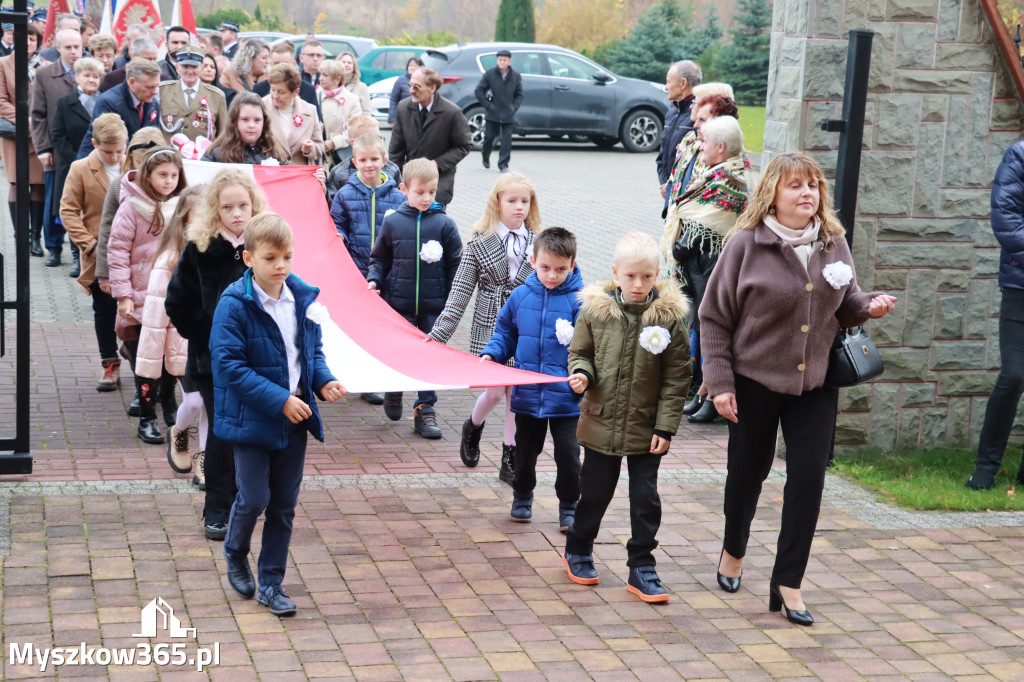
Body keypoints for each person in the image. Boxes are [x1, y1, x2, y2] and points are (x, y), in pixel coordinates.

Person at [700, 152, 896, 625]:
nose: (808, 193)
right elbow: (713, 317)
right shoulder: (746, 244)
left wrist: (867, 306)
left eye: (813, 186)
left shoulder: (834, 243)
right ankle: (733, 549)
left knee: (808, 479)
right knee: (747, 474)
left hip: (816, 382)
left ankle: (788, 582)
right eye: (796, 186)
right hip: (753, 381)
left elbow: (843, 305)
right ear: (773, 193)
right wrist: (720, 383)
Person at [212, 213, 345, 617]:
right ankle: (235, 551)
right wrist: (279, 399)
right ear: (249, 258)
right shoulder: (234, 305)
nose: (282, 266)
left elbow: (310, 352)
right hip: (252, 421)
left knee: (284, 505)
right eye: (271, 258)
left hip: (294, 420)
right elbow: (230, 367)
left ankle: (271, 583)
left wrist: (323, 380)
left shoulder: (302, 298)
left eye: (287, 256)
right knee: (254, 498)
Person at [563, 231, 692, 604]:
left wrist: (666, 426)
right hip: (601, 419)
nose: (639, 285)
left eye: (647, 277)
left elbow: (677, 376)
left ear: (657, 274)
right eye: (631, 276)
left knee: (645, 498)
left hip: (646, 426)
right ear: (616, 273)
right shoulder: (595, 312)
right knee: (595, 493)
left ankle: (642, 565)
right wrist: (582, 373)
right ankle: (579, 547)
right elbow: (580, 352)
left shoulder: (668, 319)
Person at [166, 169, 267, 538]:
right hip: (212, 363)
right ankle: (217, 509)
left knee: (251, 433)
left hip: (257, 360)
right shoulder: (201, 249)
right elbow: (177, 302)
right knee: (222, 434)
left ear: (254, 204)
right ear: (216, 210)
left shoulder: (262, 244)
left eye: (243, 205)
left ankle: (246, 502)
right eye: (228, 207)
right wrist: (207, 336)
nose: (237, 213)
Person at [429, 172, 540, 482]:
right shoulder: (479, 242)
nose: (519, 207)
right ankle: (473, 426)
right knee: (493, 392)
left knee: (514, 395)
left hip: (525, 328)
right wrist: (438, 337)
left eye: (524, 201)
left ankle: (509, 457)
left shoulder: (538, 242)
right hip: (490, 325)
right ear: (497, 202)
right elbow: (459, 295)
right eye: (512, 200)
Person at [480, 227, 583, 527]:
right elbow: (505, 334)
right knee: (524, 453)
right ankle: (522, 495)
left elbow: (589, 347)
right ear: (532, 259)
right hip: (526, 394)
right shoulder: (520, 297)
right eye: (545, 267)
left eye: (561, 269)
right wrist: (492, 354)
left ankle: (569, 507)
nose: (552, 275)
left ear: (573, 264)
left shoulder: (580, 302)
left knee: (568, 455)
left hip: (566, 397)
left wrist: (582, 375)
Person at [663, 114, 751, 424]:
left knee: (712, 330)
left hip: (712, 267)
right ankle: (704, 393)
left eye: (705, 142)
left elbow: (711, 221)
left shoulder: (732, 179)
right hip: (698, 268)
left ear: (722, 147)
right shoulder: (715, 173)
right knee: (700, 329)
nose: (700, 147)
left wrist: (679, 246)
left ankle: (715, 397)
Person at [367, 158, 463, 438]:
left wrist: (452, 297)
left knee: (429, 356)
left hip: (434, 306)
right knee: (399, 351)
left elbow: (457, 264)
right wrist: (374, 279)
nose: (426, 197)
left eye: (431, 192)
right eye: (419, 192)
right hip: (398, 303)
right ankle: (394, 387)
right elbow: (379, 258)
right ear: (404, 189)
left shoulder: (444, 224)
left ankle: (425, 408)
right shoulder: (393, 223)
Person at [107, 147, 187, 444]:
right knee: (145, 358)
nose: (168, 181)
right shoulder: (131, 207)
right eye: (162, 175)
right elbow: (117, 252)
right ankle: (146, 416)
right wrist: (123, 295)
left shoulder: (183, 207)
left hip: (172, 296)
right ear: (148, 175)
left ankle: (167, 399)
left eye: (173, 175)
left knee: (171, 355)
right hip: (140, 297)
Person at [968, 142, 1024, 490]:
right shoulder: (1019, 155)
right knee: (1015, 374)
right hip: (1022, 287)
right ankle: (986, 469)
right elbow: (1006, 220)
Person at [137, 186, 203, 476]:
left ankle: (205, 461)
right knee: (195, 400)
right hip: (183, 344)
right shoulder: (170, 258)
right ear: (184, 218)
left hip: (215, 343)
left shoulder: (225, 251)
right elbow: (154, 316)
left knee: (211, 406)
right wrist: (150, 364)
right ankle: (179, 431)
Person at [59, 113, 127, 392]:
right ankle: (109, 364)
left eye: (119, 151)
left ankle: (138, 356)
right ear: (95, 143)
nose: (114, 157)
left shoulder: (134, 164)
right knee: (105, 309)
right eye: (107, 151)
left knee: (139, 308)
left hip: (133, 251)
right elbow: (68, 210)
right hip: (100, 252)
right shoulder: (80, 168)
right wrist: (89, 244)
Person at [30, 26, 81, 267]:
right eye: (68, 47)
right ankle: (53, 247)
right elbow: (38, 115)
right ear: (58, 48)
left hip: (83, 149)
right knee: (55, 201)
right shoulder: (45, 75)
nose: (73, 52)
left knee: (80, 203)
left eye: (77, 47)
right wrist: (42, 148)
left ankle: (77, 251)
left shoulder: (90, 72)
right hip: (56, 151)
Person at [51, 55, 104, 277]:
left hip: (102, 168)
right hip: (73, 167)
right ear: (76, 77)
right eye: (87, 75)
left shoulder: (105, 102)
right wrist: (76, 161)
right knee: (75, 212)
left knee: (93, 213)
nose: (92, 80)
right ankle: (76, 256)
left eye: (96, 76)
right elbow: (57, 134)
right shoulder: (65, 103)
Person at [389, 67, 471, 206]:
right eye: (410, 85)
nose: (411, 90)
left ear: (432, 88)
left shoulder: (452, 113)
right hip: (411, 182)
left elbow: (464, 145)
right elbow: (396, 150)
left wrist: (437, 163)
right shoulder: (403, 108)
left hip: (439, 182)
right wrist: (395, 181)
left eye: (417, 86)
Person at [330, 133, 404, 279]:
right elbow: (337, 223)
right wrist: (341, 236)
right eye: (362, 160)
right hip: (356, 268)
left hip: (389, 270)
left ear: (384, 161)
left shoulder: (399, 197)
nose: (369, 164)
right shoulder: (344, 195)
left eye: (374, 159)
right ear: (355, 162)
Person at [0, 22, 45, 257]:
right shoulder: (2, 64)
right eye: (23, 37)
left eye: (32, 38)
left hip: (39, 136)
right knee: (18, 183)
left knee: (38, 184)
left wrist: (36, 124)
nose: (28, 42)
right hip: (15, 136)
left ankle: (35, 238)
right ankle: (20, 237)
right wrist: (26, 122)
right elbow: (1, 101)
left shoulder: (46, 66)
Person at [78, 58, 161, 159]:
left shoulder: (153, 103)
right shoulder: (109, 102)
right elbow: (109, 142)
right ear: (132, 82)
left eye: (156, 86)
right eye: (149, 87)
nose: (155, 92)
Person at [326, 114, 402, 204]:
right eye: (369, 139)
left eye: (379, 138)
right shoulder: (339, 173)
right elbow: (333, 207)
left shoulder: (392, 169)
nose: (376, 142)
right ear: (353, 143)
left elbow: (401, 201)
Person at [158, 47, 228, 144]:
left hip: (203, 157)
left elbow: (223, 133)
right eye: (185, 67)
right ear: (177, 68)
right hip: (170, 156)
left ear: (201, 68)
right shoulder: (162, 91)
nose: (190, 71)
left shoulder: (217, 96)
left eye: (194, 67)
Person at [657, 60, 700, 208]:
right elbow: (661, 158)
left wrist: (673, 186)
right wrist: (665, 184)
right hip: (670, 194)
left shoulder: (699, 116)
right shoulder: (671, 112)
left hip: (687, 199)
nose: (666, 87)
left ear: (683, 83)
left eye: (669, 82)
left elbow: (697, 163)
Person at [201, 91, 288, 165]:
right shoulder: (216, 155)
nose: (251, 125)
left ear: (264, 123)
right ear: (234, 121)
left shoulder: (276, 154)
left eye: (257, 120)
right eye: (245, 119)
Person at [263, 63, 323, 166]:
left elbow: (320, 147)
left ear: (295, 92)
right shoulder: (261, 107)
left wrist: (310, 148)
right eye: (273, 89)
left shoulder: (310, 110)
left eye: (281, 92)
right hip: (270, 174)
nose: (275, 96)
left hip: (300, 175)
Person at [474, 49, 523, 172]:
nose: (502, 62)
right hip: (493, 112)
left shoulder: (516, 76)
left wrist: (514, 107)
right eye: (500, 59)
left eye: (504, 60)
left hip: (508, 113)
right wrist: (488, 105)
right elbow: (479, 91)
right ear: (497, 61)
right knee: (489, 137)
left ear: (509, 62)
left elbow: (519, 94)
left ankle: (503, 164)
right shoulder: (490, 74)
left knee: (506, 141)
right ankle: (485, 156)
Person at [253, 42, 321, 116]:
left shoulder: (308, 89)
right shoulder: (259, 89)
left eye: (285, 64)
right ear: (271, 64)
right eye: (277, 63)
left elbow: (316, 120)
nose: (281, 68)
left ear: (294, 64)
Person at [317, 58, 361, 168]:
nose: (320, 78)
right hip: (320, 157)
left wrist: (334, 142)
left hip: (341, 157)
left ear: (337, 79)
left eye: (325, 75)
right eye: (320, 74)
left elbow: (355, 130)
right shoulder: (316, 95)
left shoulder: (352, 99)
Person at [389, 56, 423, 125]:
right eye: (410, 65)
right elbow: (393, 99)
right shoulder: (401, 80)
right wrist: (392, 119)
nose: (412, 67)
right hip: (404, 117)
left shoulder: (424, 80)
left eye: (415, 65)